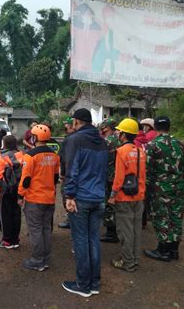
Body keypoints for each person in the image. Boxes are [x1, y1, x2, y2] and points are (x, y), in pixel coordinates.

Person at [62, 108, 108, 298]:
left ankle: (83, 285)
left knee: (81, 240)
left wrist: (69, 196)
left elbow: (71, 169)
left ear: (77, 121)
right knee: (93, 239)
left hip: (81, 197)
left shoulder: (75, 140)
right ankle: (94, 282)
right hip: (98, 197)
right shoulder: (103, 142)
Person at [144, 116, 184, 262]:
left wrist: (146, 189)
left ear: (155, 127)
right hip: (179, 188)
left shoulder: (152, 145)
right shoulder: (180, 144)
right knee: (176, 218)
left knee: (162, 218)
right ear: (169, 127)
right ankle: (174, 250)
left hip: (160, 189)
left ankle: (163, 251)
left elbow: (147, 171)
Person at [18, 124, 60, 272]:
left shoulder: (30, 156)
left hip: (35, 198)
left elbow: (26, 179)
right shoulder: (54, 155)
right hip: (49, 198)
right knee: (46, 228)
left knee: (35, 230)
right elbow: (55, 178)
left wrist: (20, 195)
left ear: (34, 138)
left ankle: (37, 260)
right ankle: (46, 259)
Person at [108, 119, 146, 272]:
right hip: (139, 195)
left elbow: (118, 178)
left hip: (124, 196)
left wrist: (112, 195)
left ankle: (127, 262)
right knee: (136, 229)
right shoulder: (140, 151)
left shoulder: (121, 152)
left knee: (125, 230)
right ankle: (135, 258)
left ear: (123, 134)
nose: (117, 133)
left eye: (119, 131)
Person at [0, 135, 24, 249]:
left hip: (5, 189)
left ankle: (6, 240)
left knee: (5, 214)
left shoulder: (1, 157)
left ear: (4, 144)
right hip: (18, 189)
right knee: (16, 212)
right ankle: (15, 239)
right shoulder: (22, 155)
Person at [99, 118, 121, 243]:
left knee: (108, 203)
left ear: (107, 127)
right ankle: (113, 229)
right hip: (115, 174)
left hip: (108, 175)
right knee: (113, 203)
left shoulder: (108, 140)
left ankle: (111, 232)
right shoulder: (118, 139)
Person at [58, 117, 75, 229]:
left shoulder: (68, 140)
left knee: (67, 196)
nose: (65, 127)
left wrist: (62, 173)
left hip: (69, 174)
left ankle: (71, 219)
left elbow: (63, 158)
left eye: (67, 125)